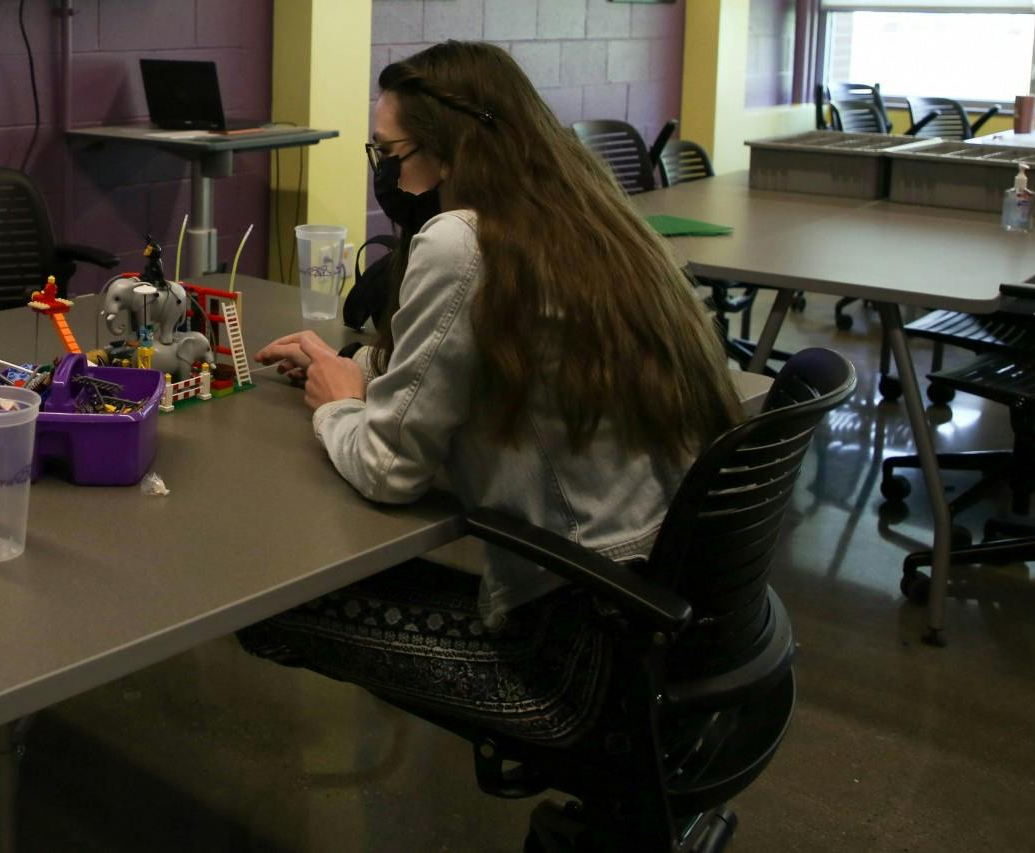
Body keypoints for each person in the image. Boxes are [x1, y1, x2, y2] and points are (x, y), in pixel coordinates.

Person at [245, 40, 740, 744]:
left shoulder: (460, 242)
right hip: (670, 614)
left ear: (449, 150)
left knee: (270, 601)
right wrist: (362, 369)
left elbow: (389, 468)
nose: (384, 172)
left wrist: (338, 401)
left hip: (574, 655)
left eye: (390, 152)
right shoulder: (596, 220)